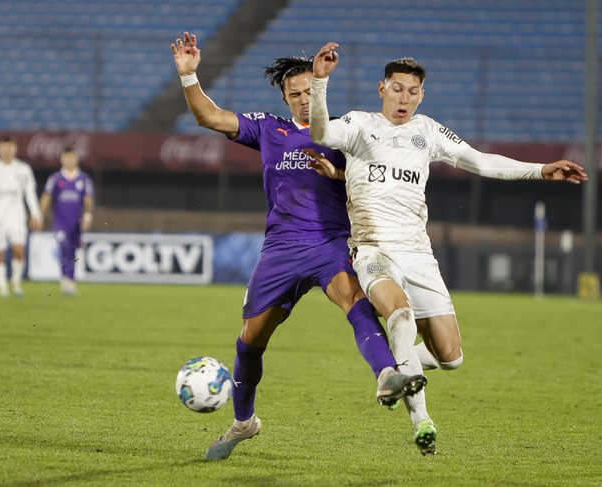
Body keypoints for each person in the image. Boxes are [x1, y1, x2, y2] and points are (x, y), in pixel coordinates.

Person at [308, 41, 588, 455]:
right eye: (398, 89)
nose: (405, 98)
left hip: (418, 253)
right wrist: (319, 83)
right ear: (381, 88)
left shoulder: (429, 131)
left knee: (451, 355)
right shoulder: (359, 125)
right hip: (373, 249)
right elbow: (320, 132)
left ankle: (393, 367)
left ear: (422, 95)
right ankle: (422, 420)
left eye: (413, 92)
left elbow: (481, 161)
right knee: (399, 313)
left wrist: (541, 170)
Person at [171, 32, 427, 461]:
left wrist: (338, 175)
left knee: (356, 303)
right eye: (296, 94)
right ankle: (243, 422)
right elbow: (211, 118)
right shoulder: (269, 129)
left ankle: (387, 374)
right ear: (285, 97)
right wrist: (189, 76)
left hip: (330, 242)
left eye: (311, 90)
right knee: (249, 342)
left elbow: (376, 182)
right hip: (281, 250)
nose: (305, 99)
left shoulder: (346, 132)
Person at [0, 135, 43, 297]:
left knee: (19, 250)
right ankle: (2, 287)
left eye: (10, 147)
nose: (7, 150)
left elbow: (30, 194)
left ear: (14, 149)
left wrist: (35, 214)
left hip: (17, 218)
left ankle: (16, 282)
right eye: (4, 147)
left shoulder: (23, 169)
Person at [39, 147, 94, 295]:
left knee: (72, 252)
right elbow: (46, 197)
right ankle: (65, 280)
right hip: (61, 223)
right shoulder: (55, 178)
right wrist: (39, 216)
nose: (69, 159)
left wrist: (88, 216)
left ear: (77, 158)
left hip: (76, 224)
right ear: (62, 159)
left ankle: (70, 280)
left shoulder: (84, 179)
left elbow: (88, 200)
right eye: (66, 157)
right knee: (65, 247)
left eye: (72, 156)